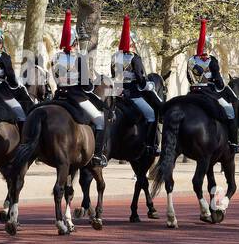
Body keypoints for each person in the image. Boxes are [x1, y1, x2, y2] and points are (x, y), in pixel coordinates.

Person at [51, 10, 109, 167]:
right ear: (75, 42)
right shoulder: (78, 58)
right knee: (100, 119)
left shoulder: (55, 57)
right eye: (76, 42)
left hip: (59, 95)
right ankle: (97, 156)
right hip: (76, 97)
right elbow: (87, 86)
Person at [186, 18, 239, 155]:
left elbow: (188, 77)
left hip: (192, 92)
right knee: (230, 111)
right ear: (209, 47)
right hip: (209, 92)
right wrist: (220, 84)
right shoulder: (211, 60)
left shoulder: (191, 60)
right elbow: (218, 80)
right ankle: (233, 143)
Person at [110, 15, 163, 156]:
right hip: (132, 95)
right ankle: (151, 145)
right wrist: (149, 86)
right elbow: (140, 80)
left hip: (117, 94)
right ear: (132, 43)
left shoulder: (114, 57)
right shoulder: (135, 58)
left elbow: (113, 74)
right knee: (151, 115)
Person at [0, 9, 35, 121]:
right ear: (1, 41)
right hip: (0, 92)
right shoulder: (3, 56)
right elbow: (11, 77)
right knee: (20, 113)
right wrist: (15, 85)